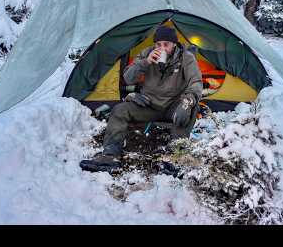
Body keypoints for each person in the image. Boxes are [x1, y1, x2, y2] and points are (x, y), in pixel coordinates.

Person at [80, 24, 203, 172]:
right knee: (120, 110)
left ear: (174, 44)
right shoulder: (147, 53)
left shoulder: (186, 58)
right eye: (158, 44)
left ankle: (175, 157)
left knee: (190, 107)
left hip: (173, 106)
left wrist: (188, 101)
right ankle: (110, 155)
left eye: (166, 44)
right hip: (149, 105)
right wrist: (145, 62)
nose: (162, 48)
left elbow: (196, 83)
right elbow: (128, 78)